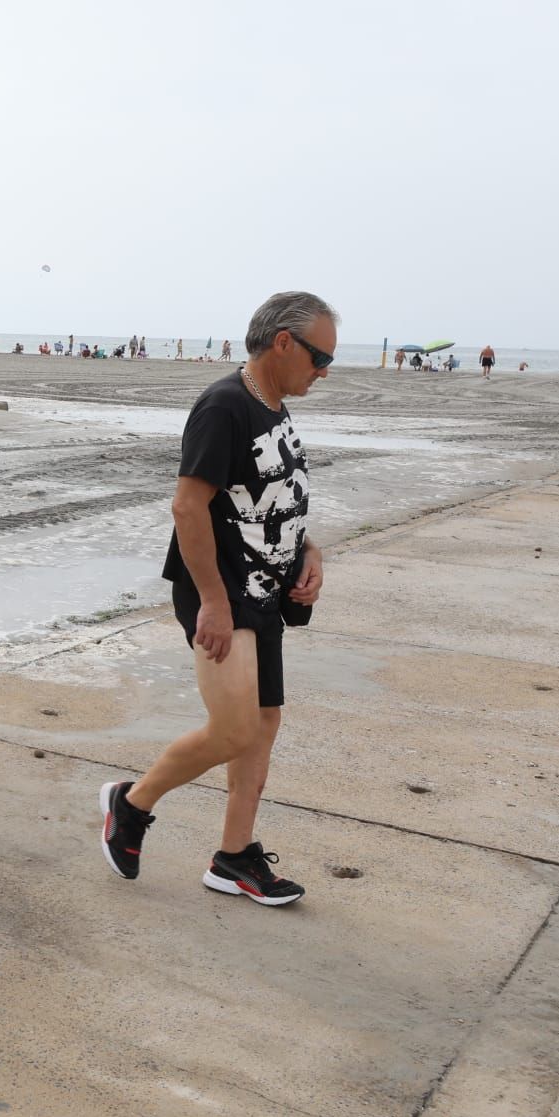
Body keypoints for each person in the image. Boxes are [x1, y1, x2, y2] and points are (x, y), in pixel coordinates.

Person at [99, 291, 335, 908]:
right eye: (319, 356)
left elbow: (272, 498)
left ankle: (234, 858)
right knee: (232, 730)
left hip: (265, 591)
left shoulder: (274, 407)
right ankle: (132, 804)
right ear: (283, 343)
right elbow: (187, 505)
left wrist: (310, 553)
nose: (324, 370)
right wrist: (213, 601)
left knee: (261, 727)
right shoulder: (224, 406)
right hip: (222, 593)